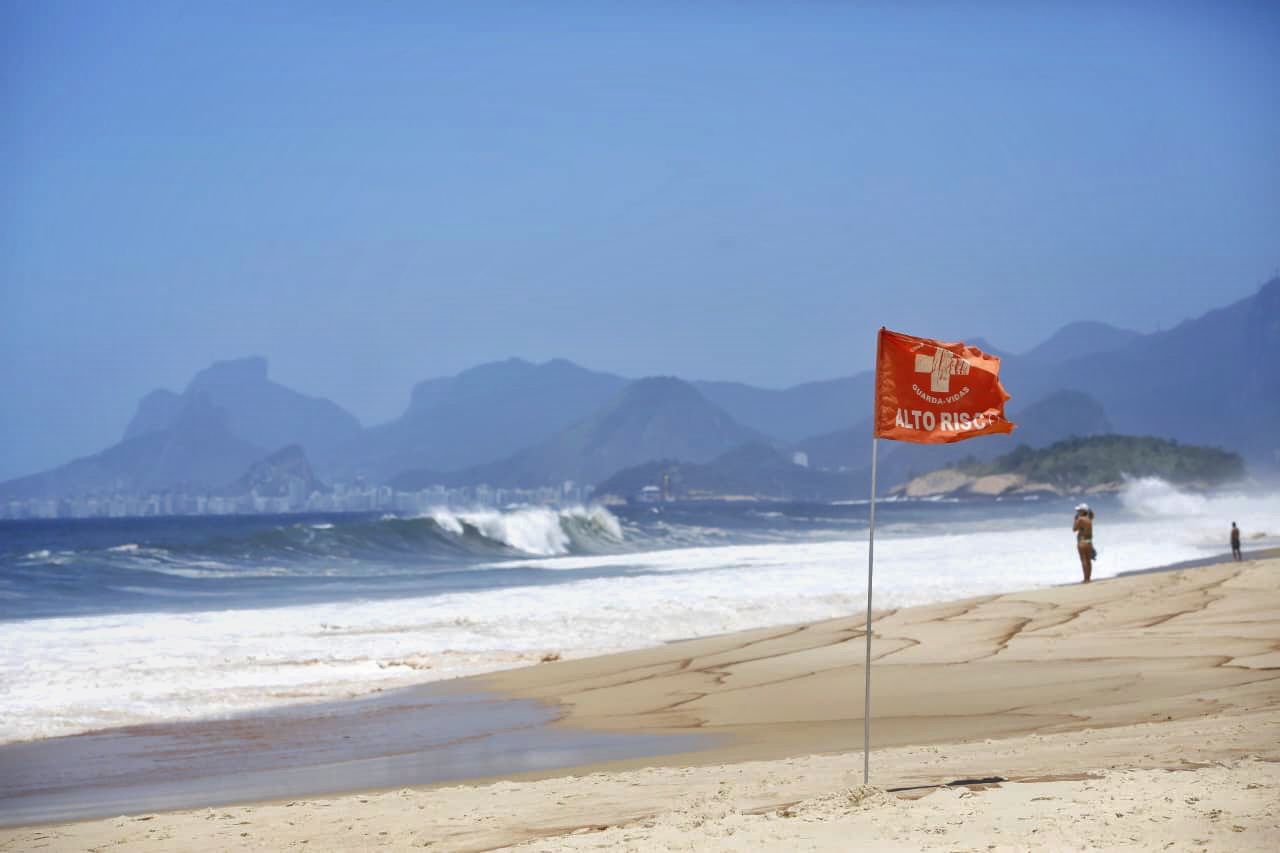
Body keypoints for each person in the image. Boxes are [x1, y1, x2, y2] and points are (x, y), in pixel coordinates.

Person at [1073, 503, 1094, 583]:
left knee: (1083, 560)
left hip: (1082, 541)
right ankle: (1088, 578)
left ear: (1082, 511)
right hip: (1089, 541)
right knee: (1088, 560)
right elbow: (1092, 513)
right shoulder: (1089, 518)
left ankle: (1085, 579)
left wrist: (1075, 519)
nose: (1077, 512)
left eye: (1078, 510)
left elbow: (1074, 529)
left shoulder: (1080, 519)